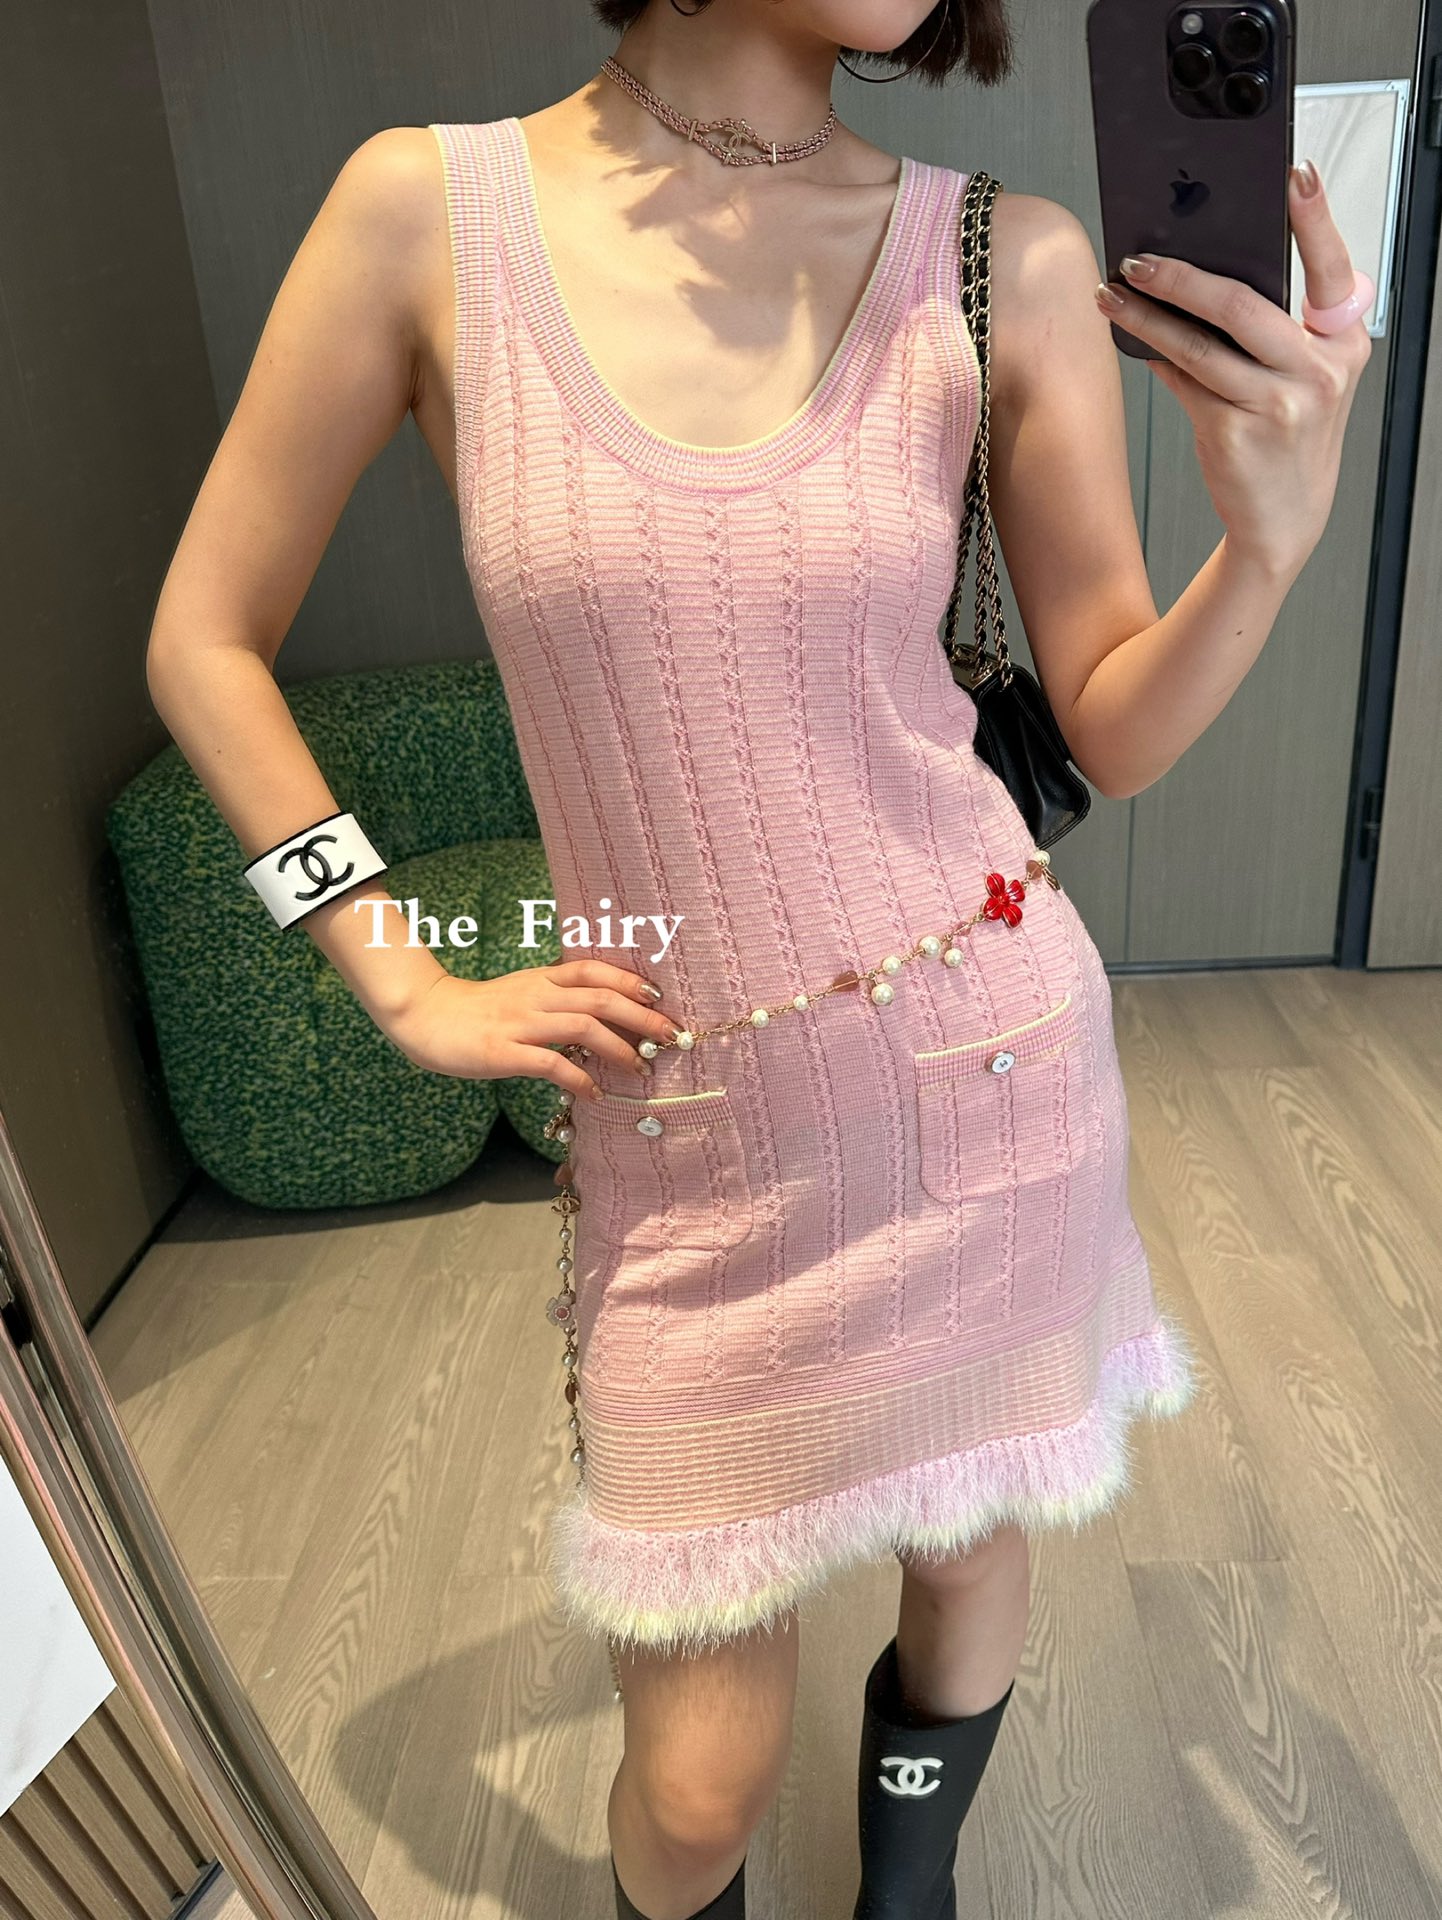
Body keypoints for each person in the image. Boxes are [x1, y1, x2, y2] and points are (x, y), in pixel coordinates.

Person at [144, 2, 1370, 1915]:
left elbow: (1109, 725)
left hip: (986, 1071)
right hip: (692, 1141)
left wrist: (1266, 550)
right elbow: (202, 640)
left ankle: (908, 1892)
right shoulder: (427, 215)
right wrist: (395, 968)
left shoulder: (1002, 253)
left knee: (968, 1549)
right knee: (700, 1787)